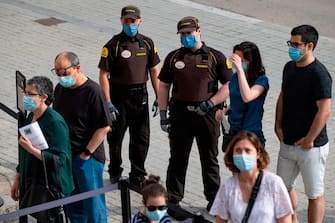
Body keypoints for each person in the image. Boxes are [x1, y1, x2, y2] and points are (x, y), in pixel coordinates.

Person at [158, 16, 232, 219]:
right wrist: (163, 114)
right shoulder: (173, 57)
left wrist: (212, 102)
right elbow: (164, 85)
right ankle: (173, 199)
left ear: (199, 31)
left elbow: (229, 86)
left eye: (189, 33)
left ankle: (214, 200)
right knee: (177, 158)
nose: (186, 37)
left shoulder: (215, 57)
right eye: (182, 34)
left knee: (209, 158)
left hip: (206, 114)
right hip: (180, 114)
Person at [98, 5, 161, 188]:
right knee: (115, 138)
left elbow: (154, 71)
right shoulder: (112, 45)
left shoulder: (147, 43)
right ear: (121, 21)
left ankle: (138, 174)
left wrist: (160, 97)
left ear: (139, 21)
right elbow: (103, 75)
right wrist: (108, 102)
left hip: (140, 96)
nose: (130, 24)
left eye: (133, 21)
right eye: (126, 21)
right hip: (119, 96)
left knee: (141, 138)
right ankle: (115, 171)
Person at [275, 25, 332, 223]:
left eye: (295, 44)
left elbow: (324, 110)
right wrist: (278, 126)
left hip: (311, 148)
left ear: (310, 46)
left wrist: (309, 139)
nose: (291, 47)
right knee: (283, 188)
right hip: (287, 142)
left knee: (314, 194)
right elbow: (283, 96)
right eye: (290, 43)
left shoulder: (319, 74)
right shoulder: (289, 67)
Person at [52, 52, 111, 223]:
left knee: (94, 207)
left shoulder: (93, 91)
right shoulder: (60, 89)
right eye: (57, 73)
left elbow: (104, 127)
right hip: (67, 156)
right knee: (73, 205)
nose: (61, 77)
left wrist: (86, 153)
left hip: (87, 159)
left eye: (64, 72)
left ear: (77, 68)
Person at [10, 76, 74, 221]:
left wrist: (31, 149)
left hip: (51, 187)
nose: (25, 97)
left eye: (30, 94)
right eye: (25, 92)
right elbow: (24, 153)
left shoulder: (55, 122)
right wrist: (17, 178)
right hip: (34, 181)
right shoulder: (32, 115)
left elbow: (60, 160)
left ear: (44, 97)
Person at [210, 130, 293, 223]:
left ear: (258, 154)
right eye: (238, 151)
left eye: (247, 150)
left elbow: (285, 219)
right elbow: (220, 220)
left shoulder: (274, 183)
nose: (243, 155)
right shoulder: (228, 187)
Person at [216, 41, 269, 145]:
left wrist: (240, 70)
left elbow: (247, 97)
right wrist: (226, 110)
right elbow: (237, 98)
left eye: (241, 59)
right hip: (234, 131)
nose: (237, 63)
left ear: (251, 60)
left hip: (251, 134)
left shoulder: (261, 80)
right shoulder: (235, 77)